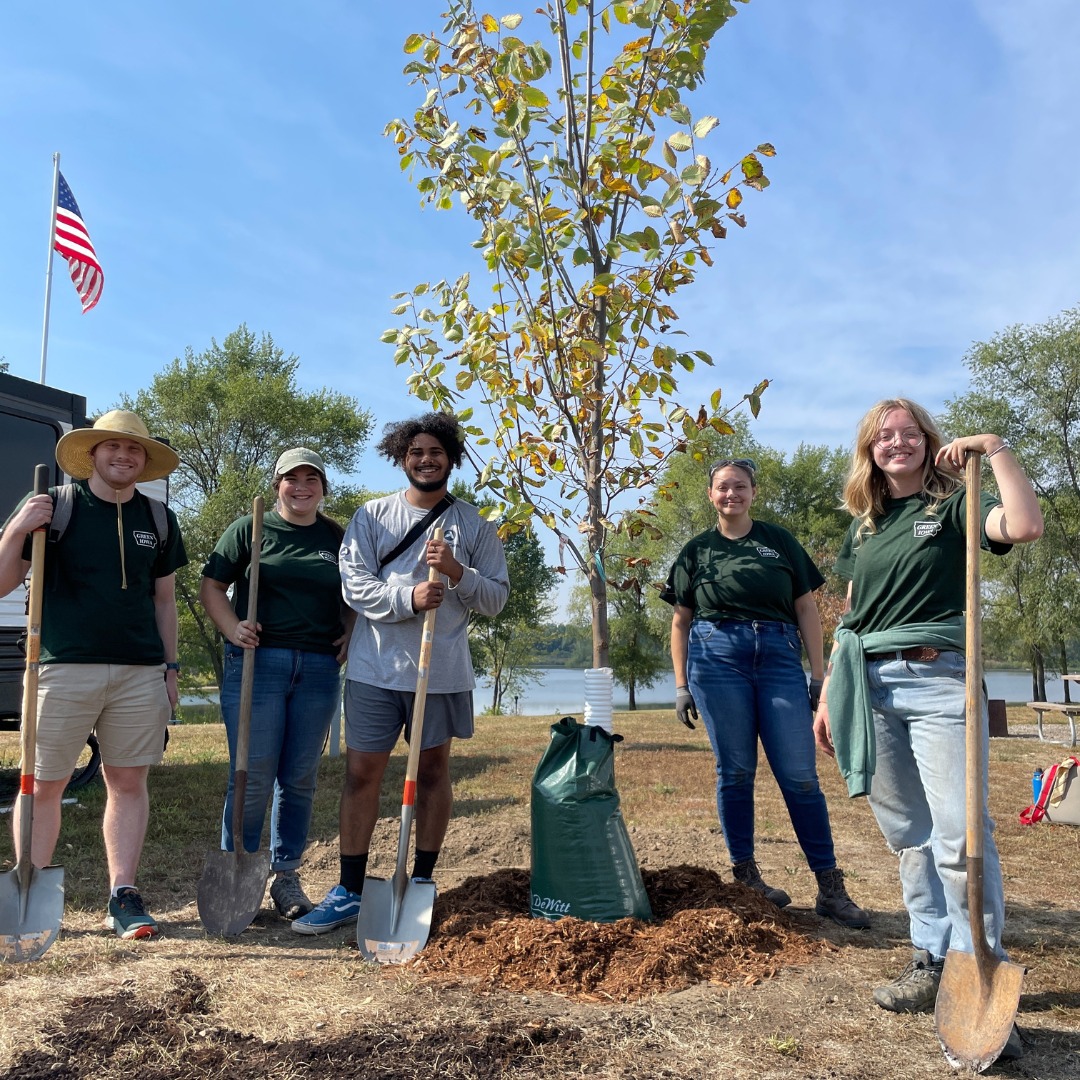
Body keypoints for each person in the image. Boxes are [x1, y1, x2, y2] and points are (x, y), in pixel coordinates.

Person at [815, 399, 1042, 1044]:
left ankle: (980, 965)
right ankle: (931, 956)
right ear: (869, 451)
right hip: (870, 685)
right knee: (909, 836)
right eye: (883, 436)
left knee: (960, 832)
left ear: (927, 441)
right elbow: (852, 617)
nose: (896, 443)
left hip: (940, 680)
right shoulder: (863, 528)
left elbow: (1024, 526)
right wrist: (830, 694)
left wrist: (995, 447)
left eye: (908, 433)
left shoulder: (956, 504)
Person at [293, 412, 509, 934]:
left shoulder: (475, 526)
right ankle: (348, 889)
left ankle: (421, 883)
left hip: (441, 673)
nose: (426, 460)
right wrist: (408, 597)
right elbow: (355, 587)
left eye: (436, 452)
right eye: (415, 453)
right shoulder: (371, 517)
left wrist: (458, 573)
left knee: (433, 773)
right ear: (401, 458)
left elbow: (497, 599)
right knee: (362, 774)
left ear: (451, 458)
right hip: (375, 669)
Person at [0, 410, 186, 939]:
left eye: (134, 451)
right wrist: (15, 529)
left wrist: (170, 667)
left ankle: (123, 896)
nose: (124, 457)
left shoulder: (159, 518)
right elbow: (2, 581)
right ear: (93, 454)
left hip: (139, 671)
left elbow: (165, 601)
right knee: (43, 784)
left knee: (128, 782)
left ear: (143, 461)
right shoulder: (55, 507)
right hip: (62, 666)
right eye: (113, 448)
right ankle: (28, 886)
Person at [663, 457, 869, 928]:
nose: (730, 494)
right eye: (721, 487)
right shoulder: (696, 552)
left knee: (800, 775)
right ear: (710, 495)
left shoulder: (778, 543)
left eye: (739, 486)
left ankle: (830, 887)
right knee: (734, 771)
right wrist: (680, 686)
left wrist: (819, 677)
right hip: (716, 660)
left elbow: (807, 609)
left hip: (778, 657)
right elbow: (680, 621)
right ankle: (746, 877)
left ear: (754, 492)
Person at [199, 448, 354, 920]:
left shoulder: (337, 537)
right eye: (292, 479)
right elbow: (211, 585)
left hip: (318, 668)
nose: (301, 486)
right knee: (250, 773)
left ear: (324, 488)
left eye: (312, 478)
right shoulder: (251, 527)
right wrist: (232, 627)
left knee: (299, 777)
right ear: (277, 486)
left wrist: (351, 630)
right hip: (257, 663)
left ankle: (285, 876)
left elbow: (352, 594)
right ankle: (240, 871)